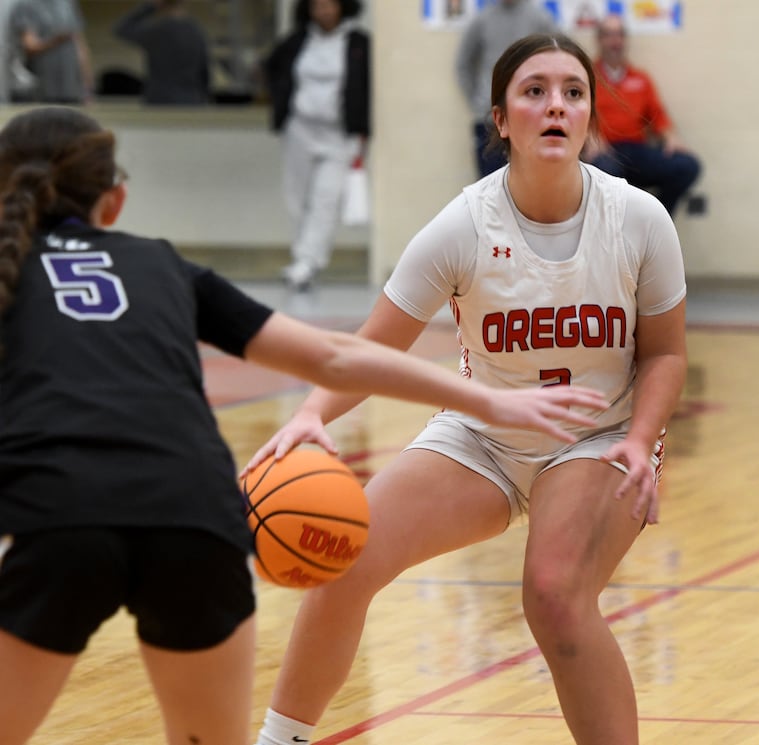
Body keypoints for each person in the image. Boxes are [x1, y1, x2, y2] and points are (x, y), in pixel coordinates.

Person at [0, 106, 611, 745]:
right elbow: (336, 356)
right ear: (116, 200)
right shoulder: (164, 268)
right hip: (196, 521)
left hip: (61, 519)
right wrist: (489, 402)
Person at [249, 32, 688, 745]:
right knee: (344, 554)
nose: (556, 106)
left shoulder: (639, 219)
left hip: (600, 438)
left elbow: (666, 354)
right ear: (501, 119)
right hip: (485, 436)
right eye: (534, 91)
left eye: (573, 93)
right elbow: (368, 348)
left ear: (589, 117)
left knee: (553, 596)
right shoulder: (462, 226)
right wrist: (309, 415)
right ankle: (279, 740)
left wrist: (640, 441)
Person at [263, 0, 370, 291]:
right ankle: (300, 258)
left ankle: (309, 262)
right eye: (317, 6)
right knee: (297, 197)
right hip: (299, 130)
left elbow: (368, 86)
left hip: (339, 135)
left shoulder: (359, 44)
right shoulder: (296, 41)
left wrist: (362, 127)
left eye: (329, 6)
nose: (324, 12)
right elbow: (272, 69)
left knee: (326, 199)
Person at [584, 13, 701, 215]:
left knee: (687, 166)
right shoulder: (586, 78)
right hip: (606, 153)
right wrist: (588, 136)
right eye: (609, 35)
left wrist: (670, 136)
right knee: (606, 175)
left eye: (620, 35)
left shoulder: (640, 78)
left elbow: (657, 115)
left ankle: (656, 221)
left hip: (636, 151)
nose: (616, 41)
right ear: (599, 40)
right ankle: (615, 238)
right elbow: (575, 115)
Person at [455, 0, 556, 178]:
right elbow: (463, 64)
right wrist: (477, 102)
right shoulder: (482, 19)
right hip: (488, 119)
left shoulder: (539, 17)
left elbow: (559, 55)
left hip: (530, 116)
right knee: (489, 188)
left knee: (531, 183)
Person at [113, 0, 210, 106]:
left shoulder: (156, 31)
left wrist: (149, 7)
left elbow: (122, 29)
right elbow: (204, 72)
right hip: (190, 100)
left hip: (159, 100)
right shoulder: (196, 32)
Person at [8, 0, 92, 104]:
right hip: (45, 87)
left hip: (72, 87)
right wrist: (56, 40)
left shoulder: (67, 3)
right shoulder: (26, 5)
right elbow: (30, 46)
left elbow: (80, 46)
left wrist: (87, 84)